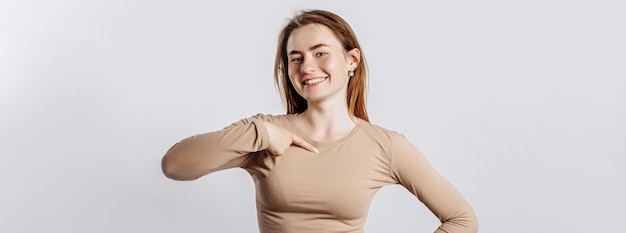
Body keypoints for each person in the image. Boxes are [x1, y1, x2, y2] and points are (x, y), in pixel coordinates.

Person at [161, 9, 478, 233]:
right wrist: (261, 134)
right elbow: (174, 166)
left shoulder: (386, 146)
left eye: (320, 53)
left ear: (351, 60)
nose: (307, 66)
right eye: (296, 58)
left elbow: (462, 220)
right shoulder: (264, 133)